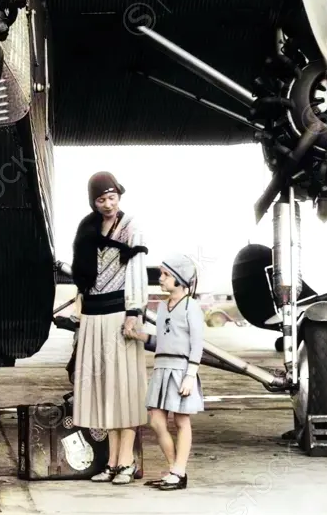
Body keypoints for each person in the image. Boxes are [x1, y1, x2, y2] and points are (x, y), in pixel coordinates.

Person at [70, 171, 149, 485]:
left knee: (124, 389)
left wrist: (134, 310)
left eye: (112, 197)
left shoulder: (132, 227)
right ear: (93, 201)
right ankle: (111, 462)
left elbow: (138, 270)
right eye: (101, 199)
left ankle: (127, 461)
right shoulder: (88, 227)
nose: (107, 204)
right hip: (92, 315)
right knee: (103, 390)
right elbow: (82, 273)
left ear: (120, 196)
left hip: (120, 313)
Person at [141, 255, 204, 491]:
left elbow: (197, 343)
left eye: (166, 275)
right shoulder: (161, 307)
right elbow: (162, 340)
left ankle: (178, 471)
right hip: (161, 368)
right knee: (157, 421)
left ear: (180, 279)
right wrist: (140, 337)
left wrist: (190, 375)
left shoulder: (192, 306)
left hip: (181, 369)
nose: (161, 279)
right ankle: (174, 469)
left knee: (181, 420)